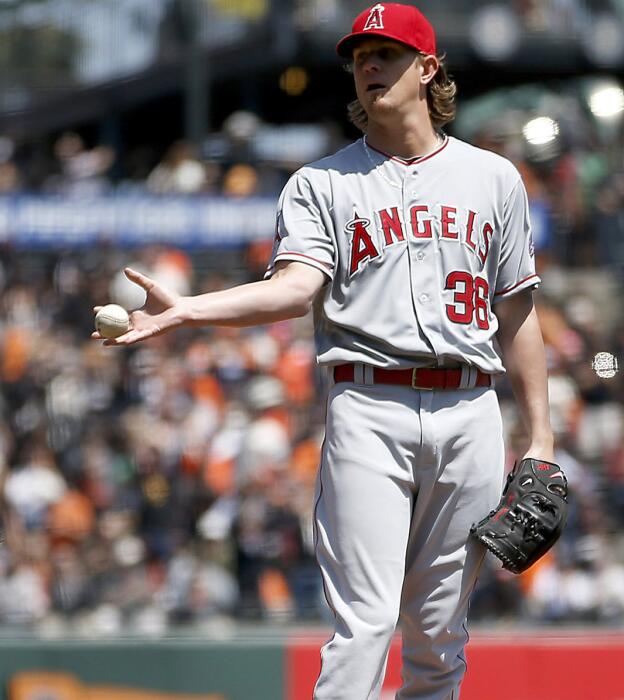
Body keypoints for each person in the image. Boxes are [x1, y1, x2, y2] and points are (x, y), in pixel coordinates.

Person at [93, 4, 552, 699]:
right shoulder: (321, 184)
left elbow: (518, 315)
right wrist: (189, 311)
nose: (369, 65)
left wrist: (541, 438)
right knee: (362, 629)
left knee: (438, 640)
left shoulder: (494, 179)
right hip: (370, 406)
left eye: (387, 53)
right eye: (360, 56)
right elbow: (292, 290)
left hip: (471, 411)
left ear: (427, 69)